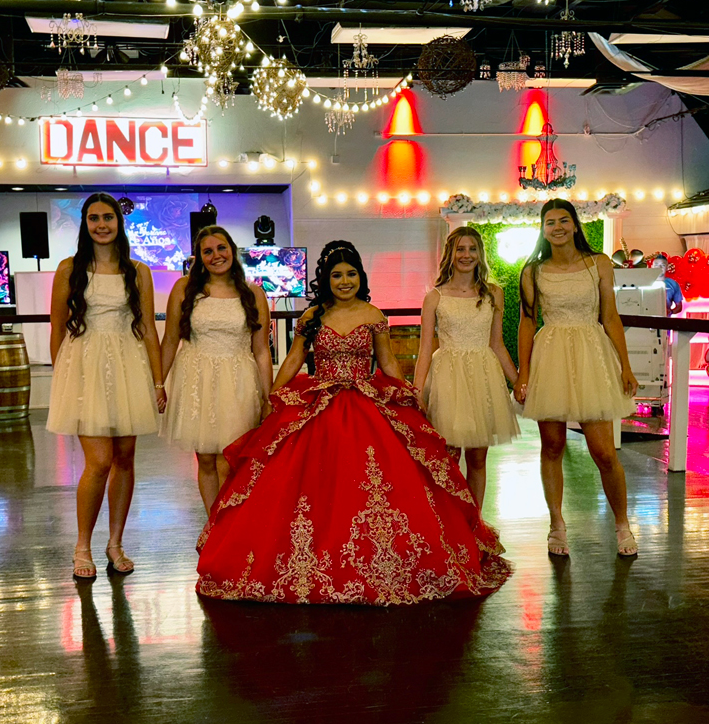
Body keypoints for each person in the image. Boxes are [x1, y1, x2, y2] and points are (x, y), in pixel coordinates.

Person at [195, 241, 511, 605]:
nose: (344, 281)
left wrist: (408, 390)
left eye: (350, 274)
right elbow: (295, 358)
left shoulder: (373, 314)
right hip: (320, 404)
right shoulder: (313, 316)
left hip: (366, 404)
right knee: (314, 486)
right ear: (325, 280)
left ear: (360, 277)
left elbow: (387, 361)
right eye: (336, 275)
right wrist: (273, 396)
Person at [48, 193, 165, 581]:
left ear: (119, 222)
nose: (102, 225)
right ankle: (82, 545)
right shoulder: (69, 269)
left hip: (128, 365)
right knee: (98, 462)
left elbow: (147, 327)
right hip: (85, 368)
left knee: (126, 459)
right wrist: (61, 376)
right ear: (85, 224)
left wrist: (158, 379)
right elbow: (57, 329)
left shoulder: (138, 270)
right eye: (94, 218)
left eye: (108, 218)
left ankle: (115, 543)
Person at [514, 199, 639, 558]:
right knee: (552, 446)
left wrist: (624, 365)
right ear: (543, 228)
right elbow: (527, 322)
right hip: (550, 354)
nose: (557, 227)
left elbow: (610, 317)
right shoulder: (532, 271)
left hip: (591, 353)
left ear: (574, 224)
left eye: (563, 220)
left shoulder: (598, 263)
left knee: (603, 451)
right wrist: (523, 372)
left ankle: (622, 525)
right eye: (549, 221)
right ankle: (557, 525)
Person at [160, 225, 272, 515]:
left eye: (221, 248)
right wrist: (158, 384)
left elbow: (261, 350)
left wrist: (266, 396)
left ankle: (230, 527)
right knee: (206, 459)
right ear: (199, 257)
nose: (216, 256)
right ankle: (214, 527)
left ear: (232, 250)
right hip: (197, 379)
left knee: (230, 459)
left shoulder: (253, 293)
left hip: (238, 381)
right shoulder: (185, 289)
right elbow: (171, 339)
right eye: (207, 251)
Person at [413, 227, 519, 508]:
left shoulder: (493, 293)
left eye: (472, 249)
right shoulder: (435, 297)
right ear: (450, 253)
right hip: (447, 376)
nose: (467, 255)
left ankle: (475, 525)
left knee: (478, 456)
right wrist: (415, 391)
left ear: (480, 254)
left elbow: (497, 344)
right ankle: (449, 522)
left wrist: (518, 381)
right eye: (461, 249)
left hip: (482, 377)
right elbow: (424, 349)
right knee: (447, 456)